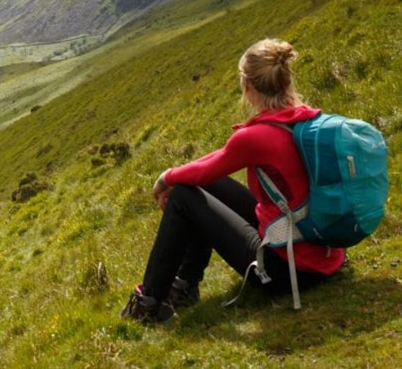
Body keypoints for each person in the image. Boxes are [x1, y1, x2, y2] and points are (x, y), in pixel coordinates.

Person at [120, 38, 345, 324]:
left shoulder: (257, 137)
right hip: (321, 253)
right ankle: (185, 285)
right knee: (198, 185)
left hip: (286, 271)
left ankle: (148, 304)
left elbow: (208, 169)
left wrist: (165, 179)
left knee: (183, 197)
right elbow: (217, 162)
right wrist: (177, 173)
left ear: (247, 86)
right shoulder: (302, 118)